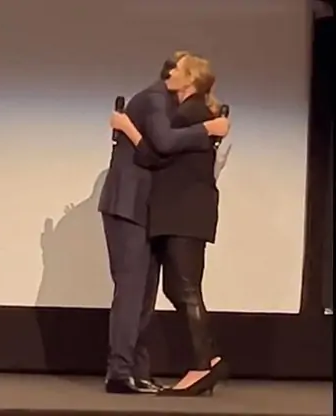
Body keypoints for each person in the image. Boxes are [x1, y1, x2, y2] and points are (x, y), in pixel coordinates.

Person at [98, 51, 230, 394]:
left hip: (148, 210)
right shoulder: (157, 99)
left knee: (145, 294)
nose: (173, 73)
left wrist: (127, 127)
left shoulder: (175, 107)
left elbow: (159, 152)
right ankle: (120, 372)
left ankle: (136, 371)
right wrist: (208, 129)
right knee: (133, 291)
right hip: (129, 206)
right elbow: (162, 146)